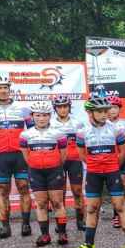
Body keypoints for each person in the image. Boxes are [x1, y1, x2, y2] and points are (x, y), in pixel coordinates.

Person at [71, 96, 125, 248]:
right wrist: (95, 165)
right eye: (99, 111)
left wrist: (112, 166)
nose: (104, 114)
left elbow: (123, 153)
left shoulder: (116, 129)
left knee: (120, 206)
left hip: (112, 172)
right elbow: (82, 155)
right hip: (93, 174)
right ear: (89, 112)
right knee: (92, 208)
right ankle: (89, 244)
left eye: (105, 110)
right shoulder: (82, 132)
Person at [0, 76, 33, 239]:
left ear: (10, 89)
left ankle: (26, 224)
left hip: (20, 154)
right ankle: (5, 226)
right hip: (0, 155)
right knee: (3, 190)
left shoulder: (22, 107)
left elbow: (31, 129)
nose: (3, 90)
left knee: (24, 187)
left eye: (6, 87)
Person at [20, 101, 68, 246]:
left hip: (54, 171)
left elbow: (63, 155)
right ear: (32, 116)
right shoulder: (25, 134)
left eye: (45, 115)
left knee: (57, 203)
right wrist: (35, 165)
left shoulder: (58, 133)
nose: (42, 118)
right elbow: (26, 156)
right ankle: (45, 235)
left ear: (50, 116)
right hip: (36, 172)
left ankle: (62, 233)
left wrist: (54, 165)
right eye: (38, 115)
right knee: (41, 204)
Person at [50, 94, 86, 231]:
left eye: (65, 106)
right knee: (61, 193)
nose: (63, 109)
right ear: (55, 109)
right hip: (58, 161)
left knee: (77, 191)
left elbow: (82, 143)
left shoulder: (78, 123)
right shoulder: (51, 124)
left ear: (69, 107)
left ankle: (80, 220)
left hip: (74, 161)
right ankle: (61, 222)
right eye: (59, 107)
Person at [107, 95, 125, 228]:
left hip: (124, 158)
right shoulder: (103, 124)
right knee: (115, 189)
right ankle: (116, 214)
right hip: (109, 159)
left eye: (115, 107)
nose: (112, 110)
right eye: (110, 107)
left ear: (119, 109)